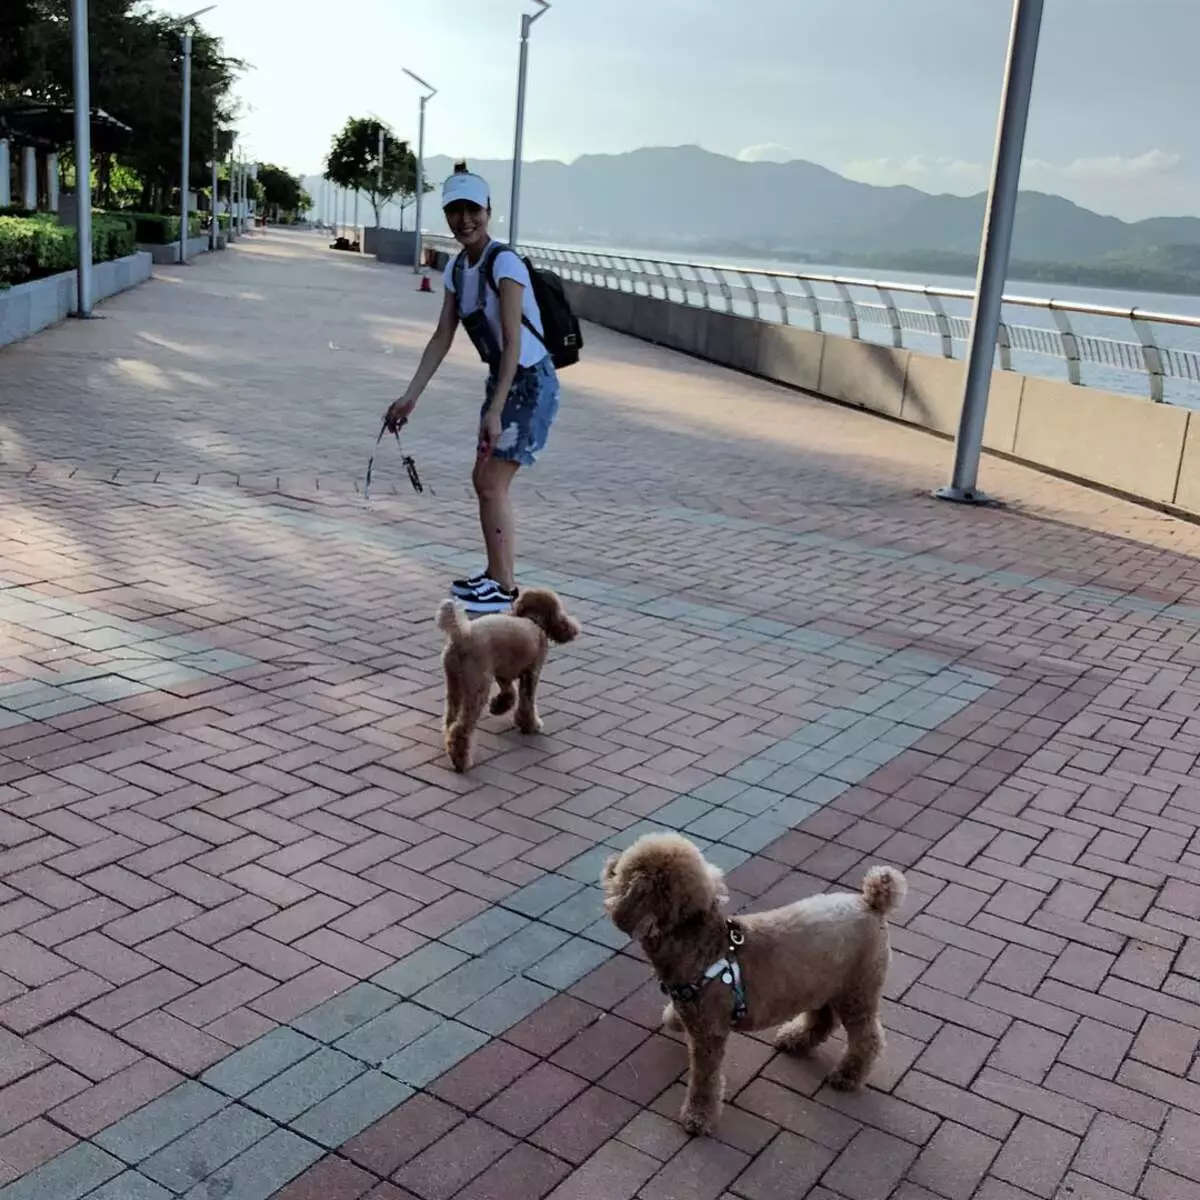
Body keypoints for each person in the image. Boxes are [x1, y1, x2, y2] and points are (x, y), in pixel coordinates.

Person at [385, 171, 560, 614]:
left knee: (491, 480)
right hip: (502, 379)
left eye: (473, 210)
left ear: (488, 211)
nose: (464, 220)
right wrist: (410, 397)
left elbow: (513, 342)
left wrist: (495, 410)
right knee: (483, 479)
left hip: (529, 381)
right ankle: (496, 575)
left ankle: (503, 584)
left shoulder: (505, 263)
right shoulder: (457, 268)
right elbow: (442, 337)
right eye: (455, 211)